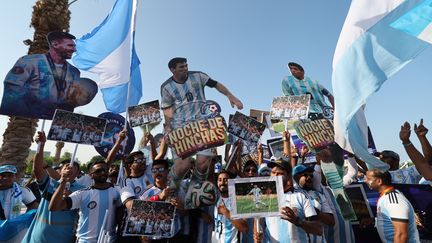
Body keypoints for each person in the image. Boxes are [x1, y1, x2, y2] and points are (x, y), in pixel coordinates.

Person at [160, 57, 243, 209]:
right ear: (172, 69)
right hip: (181, 128)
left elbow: (216, 84)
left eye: (185, 65)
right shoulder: (166, 87)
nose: (185, 68)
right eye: (181, 67)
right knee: (183, 165)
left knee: (203, 162)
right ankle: (170, 190)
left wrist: (230, 95)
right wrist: (168, 128)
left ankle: (194, 195)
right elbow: (167, 109)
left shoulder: (198, 76)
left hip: (201, 124)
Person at [0, 31, 95, 119]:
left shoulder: (74, 71)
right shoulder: (29, 61)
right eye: (70, 45)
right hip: (26, 118)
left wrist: (60, 118)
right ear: (55, 44)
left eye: (74, 46)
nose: (74, 49)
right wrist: (26, 114)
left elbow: (73, 100)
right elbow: (12, 88)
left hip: (51, 120)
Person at [49, 161, 122, 243]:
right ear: (91, 175)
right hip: (85, 241)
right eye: (98, 171)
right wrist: (63, 182)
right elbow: (54, 207)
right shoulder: (82, 193)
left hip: (109, 240)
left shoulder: (116, 192)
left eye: (105, 170)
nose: (102, 172)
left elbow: (120, 214)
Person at [260, 158, 322, 243]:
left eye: (280, 173)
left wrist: (297, 221)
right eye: (273, 172)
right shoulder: (264, 199)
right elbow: (258, 225)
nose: (275, 175)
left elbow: (318, 229)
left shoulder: (300, 197)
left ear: (289, 176)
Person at [364, 169, 420, 243]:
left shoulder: (393, 201)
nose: (365, 181)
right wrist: (375, 221)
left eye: (368, 178)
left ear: (379, 181)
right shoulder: (387, 197)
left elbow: (401, 234)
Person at [212, 170, 248, 243]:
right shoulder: (216, 200)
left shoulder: (238, 201)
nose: (222, 183)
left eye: (226, 180)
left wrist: (227, 213)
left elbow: (245, 228)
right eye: (220, 180)